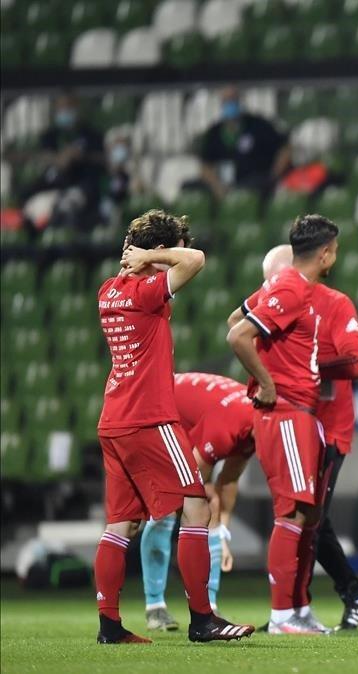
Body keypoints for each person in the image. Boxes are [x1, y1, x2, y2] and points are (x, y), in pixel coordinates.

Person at [94, 209, 253, 644]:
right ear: (159, 251)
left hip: (113, 420)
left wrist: (145, 257)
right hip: (150, 418)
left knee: (121, 524)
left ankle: (110, 626)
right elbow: (196, 260)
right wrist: (152, 256)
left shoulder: (108, 290)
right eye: (170, 251)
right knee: (197, 506)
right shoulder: (146, 293)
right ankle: (203, 619)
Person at [243, 243, 358, 630]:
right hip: (291, 418)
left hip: (328, 427)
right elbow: (239, 323)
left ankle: (303, 607)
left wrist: (309, 365)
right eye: (268, 282)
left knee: (310, 520)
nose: (271, 288)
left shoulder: (334, 304)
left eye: (276, 279)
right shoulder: (276, 299)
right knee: (301, 516)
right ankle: (298, 609)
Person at [226, 214, 339, 635]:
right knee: (291, 510)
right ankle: (281, 615)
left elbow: (234, 319)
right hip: (286, 411)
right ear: (325, 253)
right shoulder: (290, 287)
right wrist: (268, 382)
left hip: (300, 412)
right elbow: (237, 335)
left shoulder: (287, 285)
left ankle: (298, 609)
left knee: (306, 512)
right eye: (334, 250)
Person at [140, 372, 256, 630]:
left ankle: (208, 607)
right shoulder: (230, 424)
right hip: (155, 409)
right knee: (167, 508)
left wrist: (222, 533)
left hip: (184, 419)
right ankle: (155, 606)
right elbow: (191, 481)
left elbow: (229, 480)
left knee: (208, 504)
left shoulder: (255, 425)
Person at [24, 93, 105, 228]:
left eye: (69, 106)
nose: (65, 111)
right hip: (51, 189)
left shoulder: (91, 135)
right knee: (34, 208)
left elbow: (102, 160)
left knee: (68, 206)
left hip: (83, 188)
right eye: (61, 107)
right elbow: (42, 157)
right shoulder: (49, 136)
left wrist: (81, 156)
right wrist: (58, 159)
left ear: (77, 107)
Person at [198, 86, 291, 201]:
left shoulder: (259, 125)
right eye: (226, 101)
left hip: (254, 182)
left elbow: (284, 149)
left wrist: (274, 176)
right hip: (224, 184)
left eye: (233, 100)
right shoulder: (214, 132)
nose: (230, 104)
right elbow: (205, 165)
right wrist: (216, 185)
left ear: (240, 101)